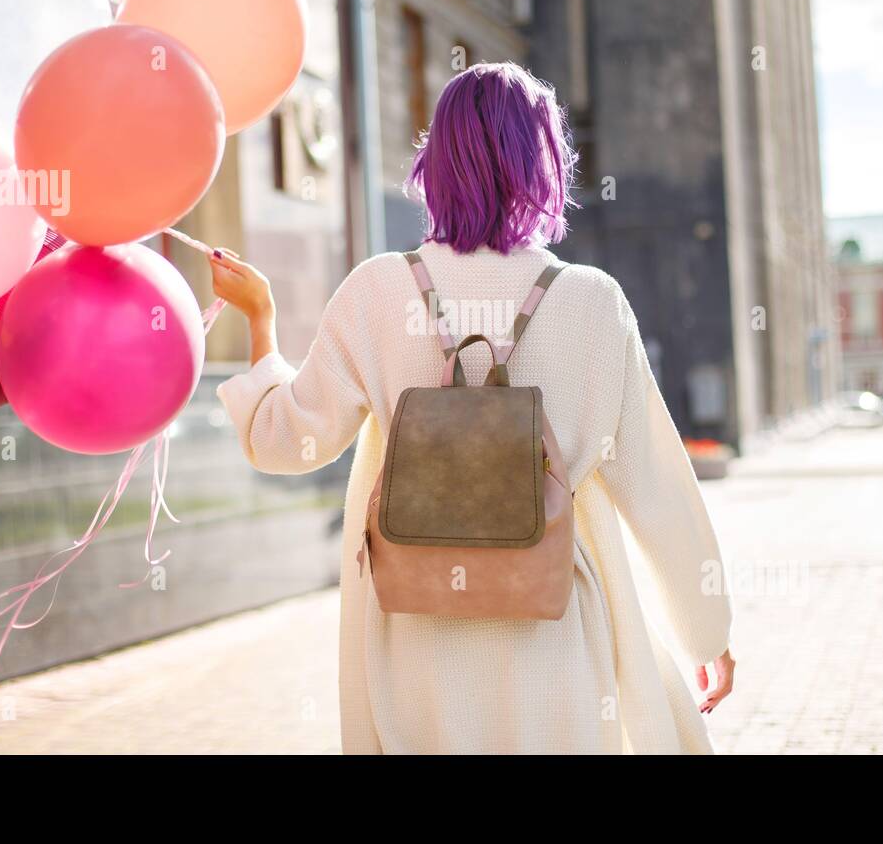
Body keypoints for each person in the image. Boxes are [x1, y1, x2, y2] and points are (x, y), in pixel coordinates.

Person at [208, 61, 734, 754]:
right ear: (541, 162)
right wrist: (707, 633)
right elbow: (656, 484)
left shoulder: (376, 290)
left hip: (412, 636)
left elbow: (286, 443)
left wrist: (263, 322)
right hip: (552, 627)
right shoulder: (592, 301)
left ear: (437, 163)